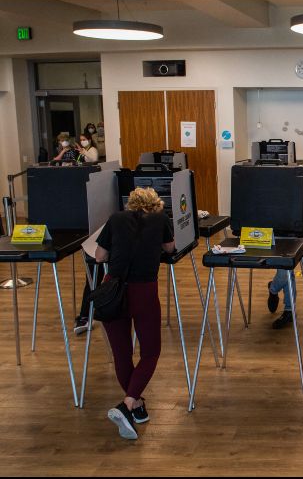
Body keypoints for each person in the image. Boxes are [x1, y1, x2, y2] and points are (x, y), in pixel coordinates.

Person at [95, 187, 175, 440]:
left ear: (131, 204)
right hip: (144, 291)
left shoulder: (116, 218)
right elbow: (171, 248)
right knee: (150, 352)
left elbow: (99, 257)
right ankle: (129, 404)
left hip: (113, 289)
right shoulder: (161, 219)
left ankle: (136, 406)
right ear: (155, 204)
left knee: (122, 353)